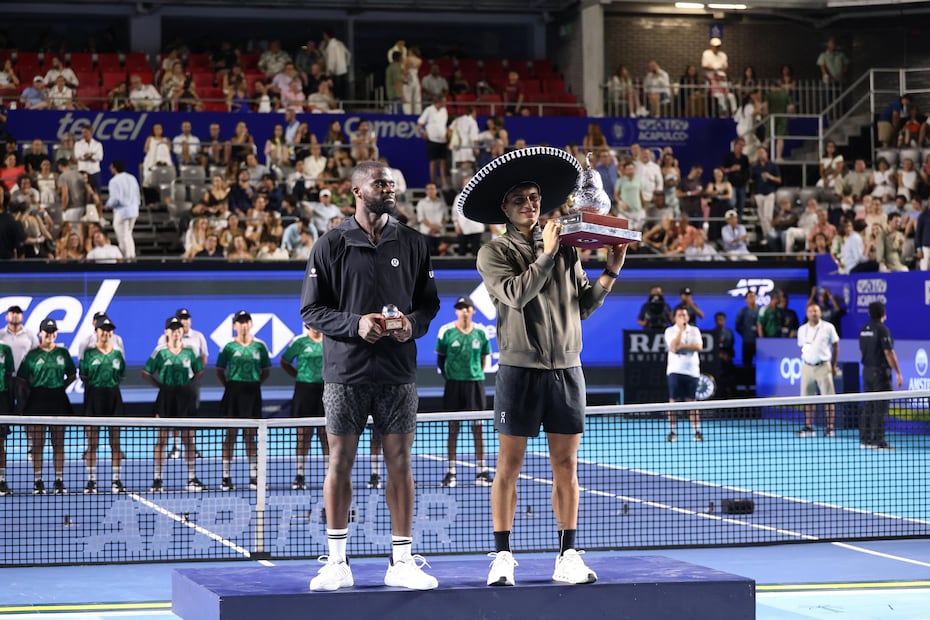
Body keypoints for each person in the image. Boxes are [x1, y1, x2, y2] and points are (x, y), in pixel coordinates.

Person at [459, 146, 628, 587]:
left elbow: (583, 306)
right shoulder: (494, 253)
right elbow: (516, 294)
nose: (530, 205)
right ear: (505, 209)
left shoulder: (567, 249)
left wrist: (609, 273)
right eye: (520, 200)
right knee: (508, 466)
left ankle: (568, 553)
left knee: (566, 467)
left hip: (568, 370)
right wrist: (548, 254)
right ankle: (502, 556)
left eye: (535, 197)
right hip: (519, 371)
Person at [299, 160, 441, 591]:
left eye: (392, 183)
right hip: (345, 374)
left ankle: (401, 561)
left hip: (398, 373)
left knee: (400, 463)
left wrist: (409, 326)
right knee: (339, 462)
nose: (390, 188)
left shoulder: (414, 243)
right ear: (357, 191)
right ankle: (337, 562)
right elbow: (311, 309)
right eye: (381, 183)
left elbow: (428, 306)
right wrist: (355, 324)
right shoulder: (330, 243)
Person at [143, 316, 206, 492]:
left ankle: (192, 478)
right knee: (162, 440)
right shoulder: (160, 352)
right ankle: (157, 479)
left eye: (179, 329)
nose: (176, 331)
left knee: (189, 439)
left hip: (186, 398)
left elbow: (199, 370)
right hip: (166, 398)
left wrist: (190, 384)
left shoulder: (191, 351)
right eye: (173, 329)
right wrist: (162, 387)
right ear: (166, 332)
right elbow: (147, 372)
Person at [436, 296, 493, 489]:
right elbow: (441, 360)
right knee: (453, 429)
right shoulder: (446, 331)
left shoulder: (481, 332)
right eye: (461, 308)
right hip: (453, 385)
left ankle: (482, 471)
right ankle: (451, 472)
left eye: (468, 308)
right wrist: (451, 375)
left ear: (473, 311)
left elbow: (485, 358)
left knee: (478, 429)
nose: (464, 311)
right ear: (456, 311)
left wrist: (474, 373)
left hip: (475, 385)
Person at [18, 318, 76, 495]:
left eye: (53, 331)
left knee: (58, 443)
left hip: (58, 400)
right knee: (38, 444)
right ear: (40, 333)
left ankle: (58, 480)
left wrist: (59, 389)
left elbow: (72, 375)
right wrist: (36, 390)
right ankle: (38, 481)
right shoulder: (32, 355)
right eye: (46, 332)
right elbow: (22, 377)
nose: (50, 334)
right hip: (37, 400)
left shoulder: (63, 353)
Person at [216, 310, 271, 492]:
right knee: (230, 435)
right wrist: (230, 386)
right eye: (240, 322)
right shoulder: (228, 347)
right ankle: (226, 477)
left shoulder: (260, 346)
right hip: (233, 392)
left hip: (253, 392)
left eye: (247, 321)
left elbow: (265, 370)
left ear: (251, 324)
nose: (244, 325)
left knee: (250, 436)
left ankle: (254, 476)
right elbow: (219, 370)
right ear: (234, 326)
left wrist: (253, 384)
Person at [79, 315, 127, 493]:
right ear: (96, 331)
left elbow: (121, 375)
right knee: (92, 443)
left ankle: (116, 480)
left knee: (115, 443)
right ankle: (91, 480)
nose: (106, 333)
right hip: (93, 398)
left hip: (114, 398)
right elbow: (83, 375)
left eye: (109, 330)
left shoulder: (117, 353)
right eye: (103, 330)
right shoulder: (89, 353)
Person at [280, 326, 329, 491]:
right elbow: (285, 361)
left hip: (326, 390)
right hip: (304, 391)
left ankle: (329, 474)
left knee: (326, 434)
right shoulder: (299, 342)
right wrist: (299, 375)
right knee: (303, 434)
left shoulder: (330, 339)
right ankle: (300, 475)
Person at [157, 308, 209, 460]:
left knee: (190, 416)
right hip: (171, 386)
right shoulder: (164, 339)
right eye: (182, 318)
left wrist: (191, 378)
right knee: (171, 418)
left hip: (189, 385)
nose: (185, 321)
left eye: (187, 318)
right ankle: (176, 446)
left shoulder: (198, 337)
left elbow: (203, 358)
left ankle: (189, 446)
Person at [858, 301, 902, 450]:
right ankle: (878, 441)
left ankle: (865, 440)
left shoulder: (863, 330)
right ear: (883, 313)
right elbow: (888, 352)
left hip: (867, 371)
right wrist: (898, 372)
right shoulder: (882, 330)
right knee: (880, 408)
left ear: (870, 313)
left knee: (869, 405)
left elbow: (862, 352)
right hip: (880, 373)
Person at [795, 302, 839, 439]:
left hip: (823, 367)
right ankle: (809, 427)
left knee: (829, 399)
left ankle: (830, 428)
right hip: (807, 367)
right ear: (807, 313)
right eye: (811, 311)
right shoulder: (802, 329)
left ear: (820, 313)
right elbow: (801, 346)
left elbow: (836, 346)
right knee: (807, 399)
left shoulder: (828, 327)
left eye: (816, 311)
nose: (813, 313)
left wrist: (833, 365)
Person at [664, 307, 704, 442]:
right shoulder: (669, 331)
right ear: (675, 317)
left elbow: (699, 347)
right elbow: (674, 347)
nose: (683, 317)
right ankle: (672, 432)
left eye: (685, 315)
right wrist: (680, 330)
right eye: (680, 315)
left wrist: (683, 346)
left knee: (692, 403)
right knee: (672, 403)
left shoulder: (695, 330)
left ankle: (697, 431)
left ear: (688, 317)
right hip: (675, 371)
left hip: (692, 372)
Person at [106, 160, 141, 260]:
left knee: (123, 237)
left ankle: (126, 259)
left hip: (122, 212)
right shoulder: (132, 178)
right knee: (128, 235)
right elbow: (137, 194)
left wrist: (108, 205)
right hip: (134, 210)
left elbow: (115, 198)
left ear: (114, 168)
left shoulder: (114, 181)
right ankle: (131, 257)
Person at [0, 336, 15, 496]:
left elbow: (9, 374)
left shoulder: (5, 350)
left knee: (0, 443)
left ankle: (1, 481)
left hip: (1, 398)